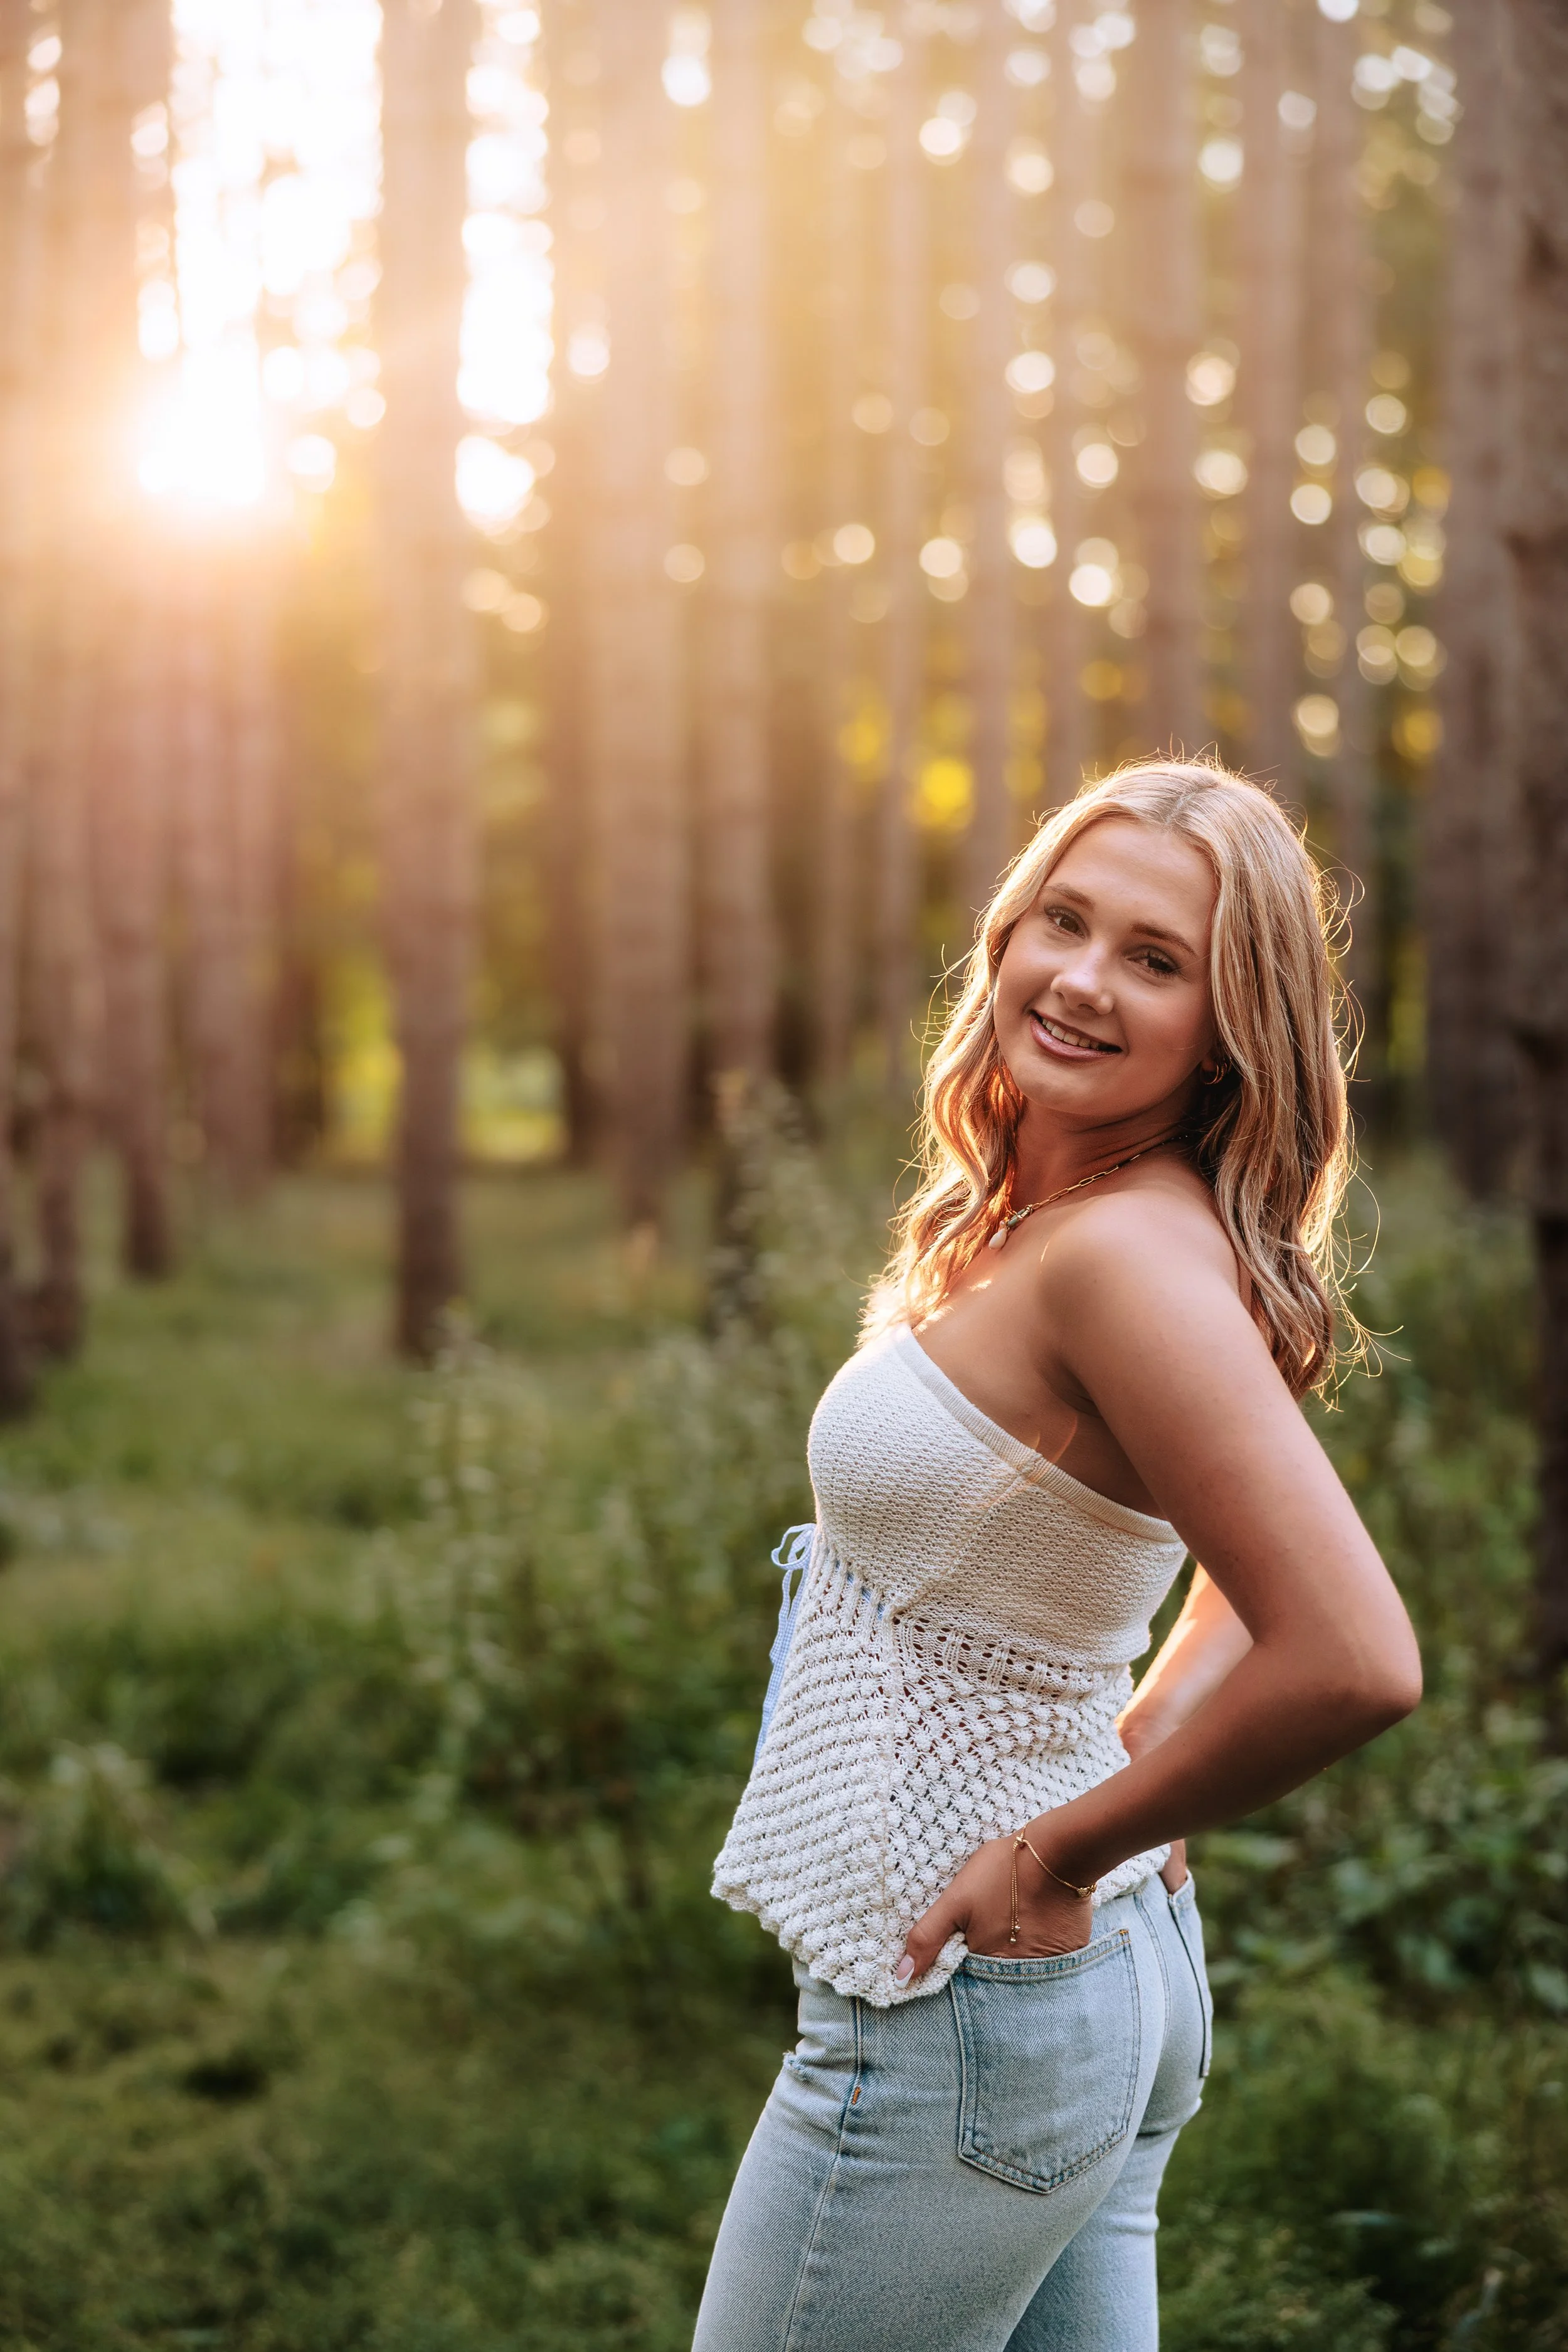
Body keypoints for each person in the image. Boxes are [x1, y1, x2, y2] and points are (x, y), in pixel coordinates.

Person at [694, 761, 1422, 2352]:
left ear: (1227, 1026)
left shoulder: (1121, 1262)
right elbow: (1251, 1555)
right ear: (1005, 931)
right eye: (1062, 921)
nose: (1082, 980)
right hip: (1064, 1994)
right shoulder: (1096, 1224)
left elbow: (1355, 1655)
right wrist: (1145, 1738)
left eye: (1153, 959)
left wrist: (1058, 1851)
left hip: (966, 2002)